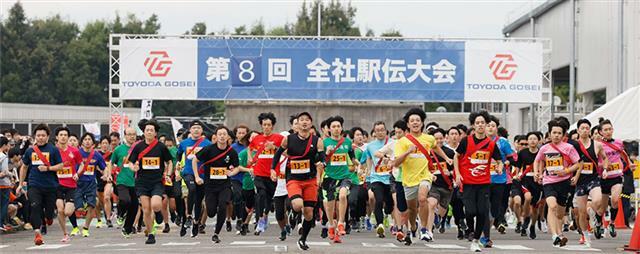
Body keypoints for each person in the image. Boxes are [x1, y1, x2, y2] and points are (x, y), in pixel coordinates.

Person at [394, 108, 451, 245]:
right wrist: (408, 152)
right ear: (408, 124)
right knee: (412, 209)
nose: (415, 123)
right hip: (408, 180)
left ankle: (425, 229)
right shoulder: (402, 142)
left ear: (422, 123)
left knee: (422, 198)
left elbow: (435, 147)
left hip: (425, 175)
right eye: (412, 121)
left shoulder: (429, 138)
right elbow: (396, 163)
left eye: (417, 120)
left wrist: (446, 158)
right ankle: (413, 227)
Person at [271, 112, 324, 251]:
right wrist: (273, 169)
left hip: (310, 179)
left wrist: (321, 164)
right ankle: (294, 213)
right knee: (297, 204)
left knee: (309, 213)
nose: (304, 122)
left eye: (307, 120)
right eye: (301, 120)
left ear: (311, 123)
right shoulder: (288, 139)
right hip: (294, 178)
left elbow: (322, 157)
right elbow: (277, 154)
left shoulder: (317, 140)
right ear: (297, 124)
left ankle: (303, 239)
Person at [453, 111, 503, 252]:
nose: (480, 125)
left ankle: (475, 239)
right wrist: (457, 174)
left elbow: (499, 160)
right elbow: (456, 157)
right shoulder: (466, 141)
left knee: (482, 212)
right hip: (468, 183)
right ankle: (470, 229)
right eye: (477, 123)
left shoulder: (491, 144)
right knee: (470, 211)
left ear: (487, 125)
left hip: (483, 183)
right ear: (473, 125)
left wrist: (499, 167)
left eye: (483, 122)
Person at [534, 119, 581, 247]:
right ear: (549, 134)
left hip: (564, 182)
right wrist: (536, 173)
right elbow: (537, 161)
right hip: (548, 181)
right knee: (552, 206)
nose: (556, 135)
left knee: (560, 213)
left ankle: (559, 233)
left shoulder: (569, 148)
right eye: (554, 132)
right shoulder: (544, 148)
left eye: (559, 133)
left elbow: (578, 164)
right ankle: (554, 235)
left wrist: (566, 171)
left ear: (563, 134)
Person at [17, 124, 64, 245]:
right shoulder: (30, 150)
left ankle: (47, 219)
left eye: (43, 135)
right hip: (34, 185)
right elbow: (24, 167)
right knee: (35, 206)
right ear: (35, 137)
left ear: (48, 137)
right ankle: (37, 234)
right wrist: (20, 184)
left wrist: (48, 168)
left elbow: (61, 166)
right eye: (38, 135)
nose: (40, 138)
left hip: (50, 186)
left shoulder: (53, 149)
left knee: (49, 212)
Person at [128, 119, 173, 244]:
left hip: (157, 181)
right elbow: (130, 162)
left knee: (155, 205)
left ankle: (158, 212)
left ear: (155, 133)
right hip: (142, 182)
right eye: (147, 130)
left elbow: (169, 162)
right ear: (144, 132)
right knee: (146, 210)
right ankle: (151, 233)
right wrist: (134, 168)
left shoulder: (161, 147)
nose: (148, 132)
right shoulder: (138, 146)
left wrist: (168, 174)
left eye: (151, 130)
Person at [193, 126, 240, 243]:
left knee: (223, 205)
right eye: (220, 134)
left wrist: (232, 172)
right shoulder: (209, 149)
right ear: (216, 136)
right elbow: (195, 160)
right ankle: (196, 221)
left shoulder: (231, 152)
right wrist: (197, 177)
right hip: (210, 186)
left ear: (228, 137)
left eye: (225, 134)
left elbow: (237, 167)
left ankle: (216, 233)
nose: (222, 136)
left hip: (225, 185)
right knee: (211, 212)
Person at [321, 115, 360, 243]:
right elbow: (321, 161)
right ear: (329, 129)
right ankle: (331, 224)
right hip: (330, 177)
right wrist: (327, 153)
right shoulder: (324, 142)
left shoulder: (347, 142)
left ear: (342, 128)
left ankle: (341, 222)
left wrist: (357, 163)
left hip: (345, 176)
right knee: (330, 204)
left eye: (338, 126)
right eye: (333, 127)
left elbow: (351, 156)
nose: (336, 129)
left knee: (343, 196)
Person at [248, 112, 284, 235]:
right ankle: (259, 220)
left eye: (269, 125)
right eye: (264, 125)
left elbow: (285, 153)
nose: (266, 127)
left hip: (273, 174)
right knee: (261, 194)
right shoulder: (257, 139)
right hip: (259, 173)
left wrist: (274, 148)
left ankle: (264, 216)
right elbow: (250, 148)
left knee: (269, 198)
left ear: (272, 126)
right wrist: (250, 160)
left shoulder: (278, 138)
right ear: (261, 125)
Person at [177, 120, 212, 237]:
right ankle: (188, 216)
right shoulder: (184, 143)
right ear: (190, 130)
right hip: (188, 172)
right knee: (191, 189)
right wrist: (177, 164)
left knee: (198, 201)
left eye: (198, 128)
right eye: (194, 128)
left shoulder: (207, 143)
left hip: (202, 175)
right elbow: (178, 154)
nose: (196, 130)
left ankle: (196, 222)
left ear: (202, 130)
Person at [75, 133, 107, 237]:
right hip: (78, 183)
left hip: (91, 184)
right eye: (85, 139)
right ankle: (82, 204)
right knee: (78, 208)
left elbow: (104, 167)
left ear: (93, 142)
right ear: (82, 142)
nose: (87, 141)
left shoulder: (96, 155)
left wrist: (105, 175)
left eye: (89, 139)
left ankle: (85, 228)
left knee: (92, 206)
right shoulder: (77, 153)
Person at [53, 127, 82, 242]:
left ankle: (74, 207)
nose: (63, 137)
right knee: (60, 210)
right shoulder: (53, 151)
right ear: (57, 137)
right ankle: (65, 234)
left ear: (68, 137)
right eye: (61, 135)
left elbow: (81, 164)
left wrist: (78, 174)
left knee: (68, 212)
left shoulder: (74, 151)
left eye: (65, 135)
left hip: (71, 185)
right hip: (57, 184)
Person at [111, 127, 138, 238]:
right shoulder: (119, 149)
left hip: (135, 182)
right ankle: (120, 214)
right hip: (121, 181)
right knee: (125, 200)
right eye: (129, 134)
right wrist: (109, 174)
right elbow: (111, 163)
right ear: (125, 136)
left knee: (134, 207)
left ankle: (127, 229)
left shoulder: (139, 148)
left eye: (134, 134)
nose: (132, 136)